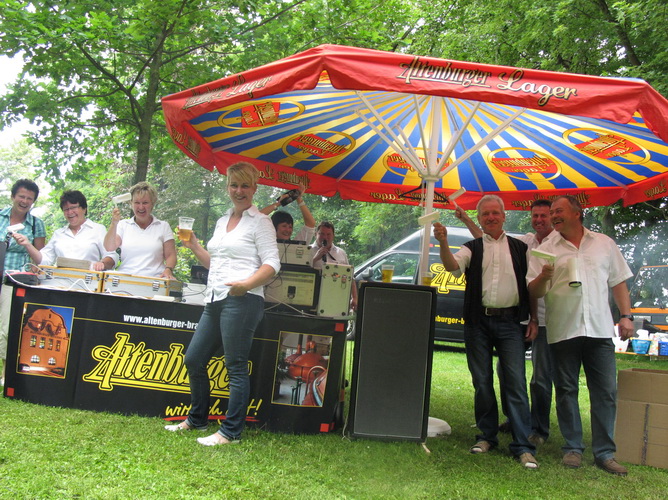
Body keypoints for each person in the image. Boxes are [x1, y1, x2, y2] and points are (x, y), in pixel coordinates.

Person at [164, 162, 280, 446]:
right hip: (215, 298)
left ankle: (231, 432)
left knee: (235, 366)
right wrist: (194, 246)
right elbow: (215, 263)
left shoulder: (261, 222)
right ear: (227, 187)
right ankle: (197, 419)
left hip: (243, 300)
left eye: (245, 185)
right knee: (194, 359)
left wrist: (246, 285)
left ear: (254, 188)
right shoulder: (222, 220)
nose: (239, 191)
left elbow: (272, 264)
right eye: (234, 185)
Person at [527, 195, 634, 476]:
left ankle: (605, 453)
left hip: (599, 329)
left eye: (558, 211)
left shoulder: (604, 244)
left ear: (577, 212)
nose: (553, 216)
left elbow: (618, 282)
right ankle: (573, 448)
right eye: (551, 212)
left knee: (606, 392)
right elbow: (533, 291)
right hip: (563, 329)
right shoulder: (545, 249)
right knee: (566, 391)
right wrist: (544, 276)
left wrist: (626, 315)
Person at [434, 195, 539, 469]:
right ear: (479, 219)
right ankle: (486, 437)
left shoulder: (521, 248)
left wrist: (534, 318)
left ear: (504, 216)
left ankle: (523, 445)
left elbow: (531, 287)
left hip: (511, 323)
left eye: (495, 212)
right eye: (485, 214)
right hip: (477, 323)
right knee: (482, 381)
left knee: (516, 383)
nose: (491, 217)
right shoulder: (471, 247)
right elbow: (451, 266)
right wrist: (443, 242)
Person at [456, 201, 555, 445]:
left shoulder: (557, 242)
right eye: (535, 215)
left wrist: (534, 318)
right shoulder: (525, 241)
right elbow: (487, 242)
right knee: (497, 377)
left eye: (544, 215)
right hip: (512, 317)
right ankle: (504, 427)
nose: (539, 219)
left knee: (534, 379)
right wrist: (466, 220)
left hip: (542, 317)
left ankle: (534, 432)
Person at [0, 179, 46, 385]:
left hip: (13, 280)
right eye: (21, 196)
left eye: (29, 198)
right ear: (13, 196)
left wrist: (26, 245)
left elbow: (40, 259)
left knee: (7, 327)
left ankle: (5, 372)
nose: (25, 201)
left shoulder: (36, 224)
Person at [13, 190, 117, 271]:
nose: (70, 212)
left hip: (88, 282)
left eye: (73, 207)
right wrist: (27, 244)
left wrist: (102, 263)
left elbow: (111, 255)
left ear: (84, 208)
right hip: (59, 282)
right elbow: (44, 260)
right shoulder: (58, 233)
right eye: (66, 209)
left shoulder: (98, 229)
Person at [104, 182, 176, 279]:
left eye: (145, 203)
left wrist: (168, 270)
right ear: (131, 203)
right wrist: (114, 224)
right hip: (126, 278)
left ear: (152, 203)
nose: (141, 207)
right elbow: (109, 247)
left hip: (154, 279)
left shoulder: (163, 226)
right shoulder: (123, 225)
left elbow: (171, 255)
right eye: (137, 203)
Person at [310, 221, 357, 311]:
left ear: (333, 236)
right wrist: (315, 258)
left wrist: (354, 298)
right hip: (313, 299)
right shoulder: (308, 251)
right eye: (322, 234)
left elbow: (350, 276)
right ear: (315, 234)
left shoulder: (341, 253)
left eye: (328, 234)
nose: (325, 237)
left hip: (336, 299)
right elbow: (302, 272)